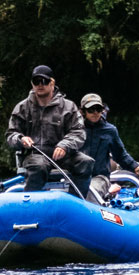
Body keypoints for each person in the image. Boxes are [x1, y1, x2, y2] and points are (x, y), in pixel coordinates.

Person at [7, 63, 89, 191]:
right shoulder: (22, 108)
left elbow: (79, 132)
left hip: (64, 156)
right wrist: (20, 139)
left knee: (85, 162)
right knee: (38, 166)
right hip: (34, 156)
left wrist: (64, 145)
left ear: (52, 83)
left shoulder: (69, 107)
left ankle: (78, 199)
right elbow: (11, 135)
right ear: (32, 84)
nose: (40, 85)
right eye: (36, 81)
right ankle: (31, 200)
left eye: (44, 81)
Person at [79, 93, 139, 200]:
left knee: (90, 190)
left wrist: (135, 166)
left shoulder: (110, 130)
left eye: (98, 109)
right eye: (91, 110)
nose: (95, 113)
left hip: (100, 178)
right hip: (77, 176)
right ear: (83, 111)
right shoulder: (74, 129)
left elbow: (120, 155)